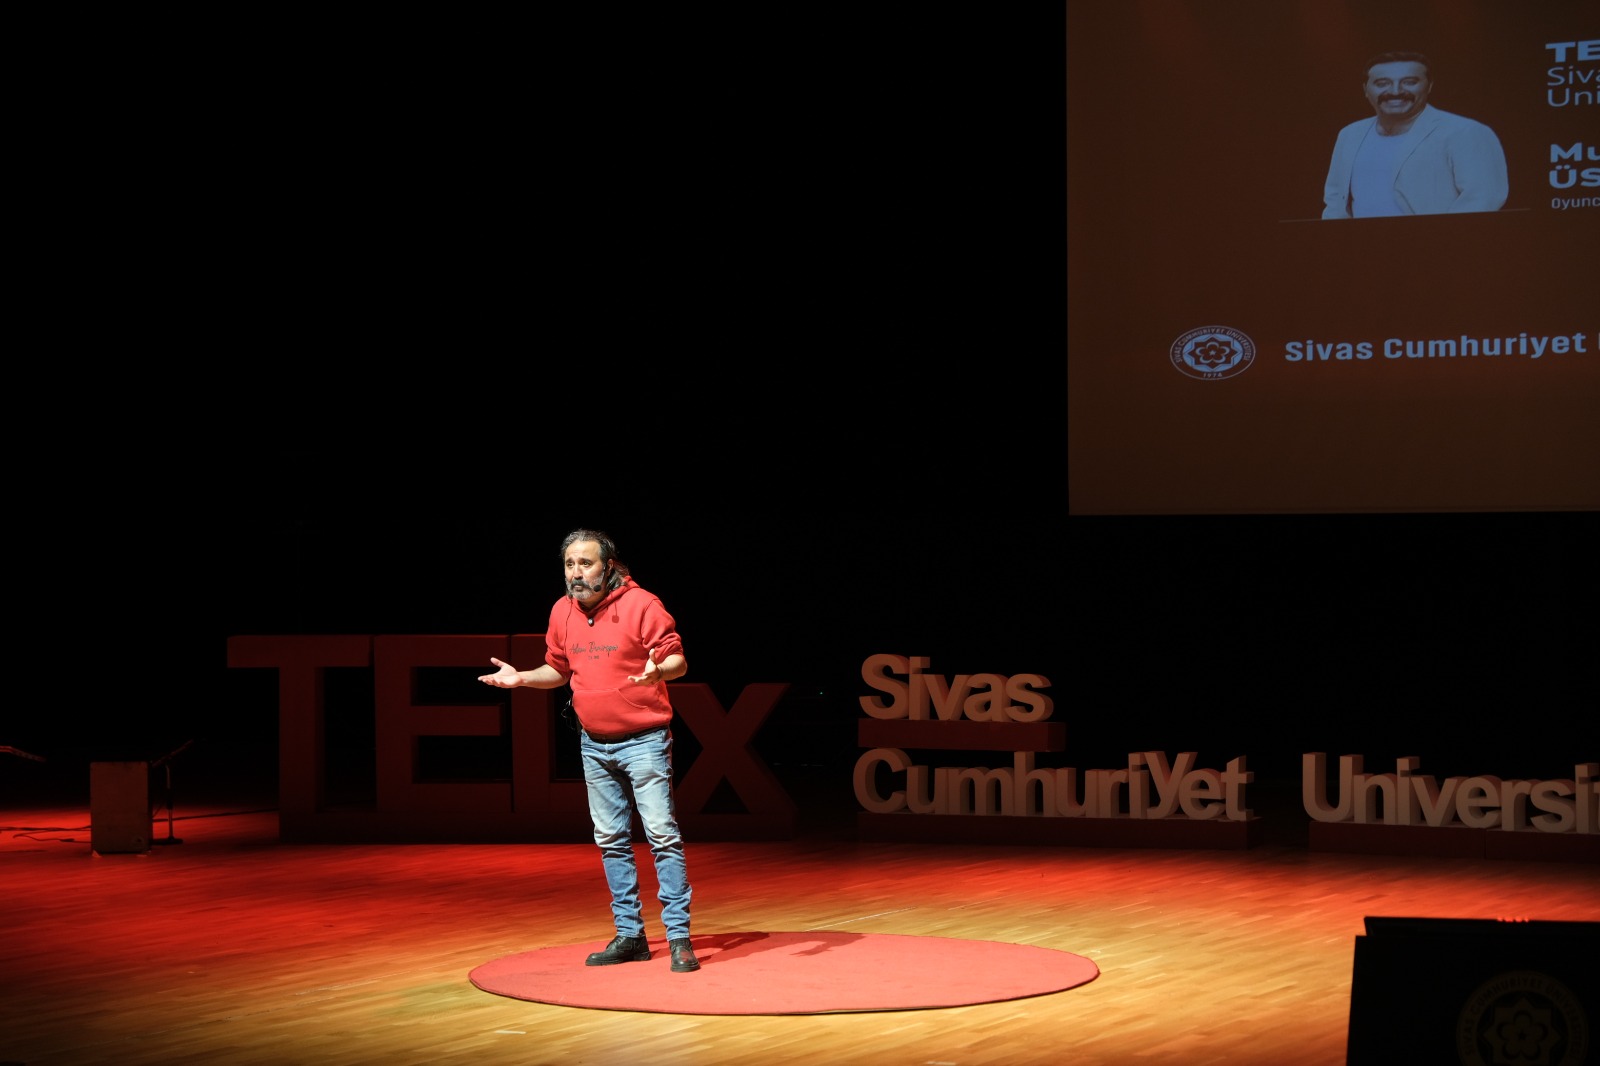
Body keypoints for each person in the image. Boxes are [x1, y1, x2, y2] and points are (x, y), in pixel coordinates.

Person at [478, 528, 699, 974]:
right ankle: (630, 936)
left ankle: (679, 938)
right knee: (611, 840)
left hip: (645, 741)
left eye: (585, 563)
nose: (576, 573)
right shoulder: (562, 611)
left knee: (661, 836)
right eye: (569, 564)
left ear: (608, 566)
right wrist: (523, 679)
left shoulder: (642, 604)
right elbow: (558, 670)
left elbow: (677, 660)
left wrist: (659, 672)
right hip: (594, 744)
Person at [1322, 51, 1508, 219]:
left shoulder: (1465, 132)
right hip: (1361, 244)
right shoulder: (1350, 134)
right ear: (1365, 89)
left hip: (1435, 244)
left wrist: (1440, 240)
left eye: (1409, 82)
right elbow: (1335, 200)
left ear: (1429, 86)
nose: (1395, 91)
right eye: (1382, 83)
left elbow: (1483, 198)